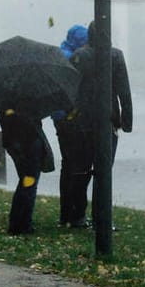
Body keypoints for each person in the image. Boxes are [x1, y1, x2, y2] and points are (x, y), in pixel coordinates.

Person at [65, 19, 134, 228]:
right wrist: (127, 120)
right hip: (108, 119)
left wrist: (70, 117)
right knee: (103, 172)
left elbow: (70, 89)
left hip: (82, 120)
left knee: (81, 171)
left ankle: (77, 216)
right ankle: (101, 218)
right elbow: (124, 91)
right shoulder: (115, 56)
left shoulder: (80, 56)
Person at [54, 24, 91, 227]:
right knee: (78, 168)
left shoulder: (61, 53)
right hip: (71, 119)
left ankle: (66, 214)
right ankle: (75, 214)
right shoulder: (72, 59)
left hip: (60, 119)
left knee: (68, 167)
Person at [0, 108, 54, 235]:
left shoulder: (4, 102)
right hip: (29, 143)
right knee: (29, 185)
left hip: (14, 144)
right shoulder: (27, 101)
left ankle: (16, 222)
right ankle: (23, 224)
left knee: (24, 183)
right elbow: (28, 122)